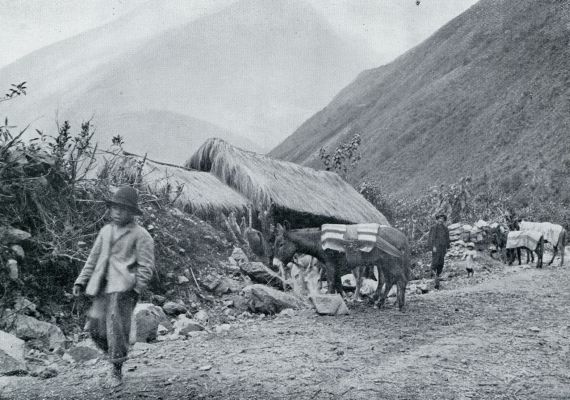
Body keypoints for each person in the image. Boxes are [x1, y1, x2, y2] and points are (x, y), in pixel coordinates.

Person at [72, 186, 155, 388]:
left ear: (132, 212)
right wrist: (81, 280)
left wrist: (136, 288)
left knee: (115, 326)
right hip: (102, 285)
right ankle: (116, 352)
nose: (118, 212)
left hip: (124, 288)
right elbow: (92, 258)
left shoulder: (141, 235)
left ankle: (116, 370)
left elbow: (146, 266)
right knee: (94, 327)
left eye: (123, 209)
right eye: (115, 208)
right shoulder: (106, 231)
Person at [428, 213, 450, 289]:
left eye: (443, 219)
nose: (441, 220)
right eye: (439, 219)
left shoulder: (445, 228)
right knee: (435, 261)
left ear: (444, 220)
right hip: (436, 247)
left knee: (441, 262)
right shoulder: (434, 227)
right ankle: (433, 276)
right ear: (437, 219)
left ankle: (438, 275)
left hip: (442, 248)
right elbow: (431, 238)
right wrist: (433, 246)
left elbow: (447, 238)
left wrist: (447, 246)